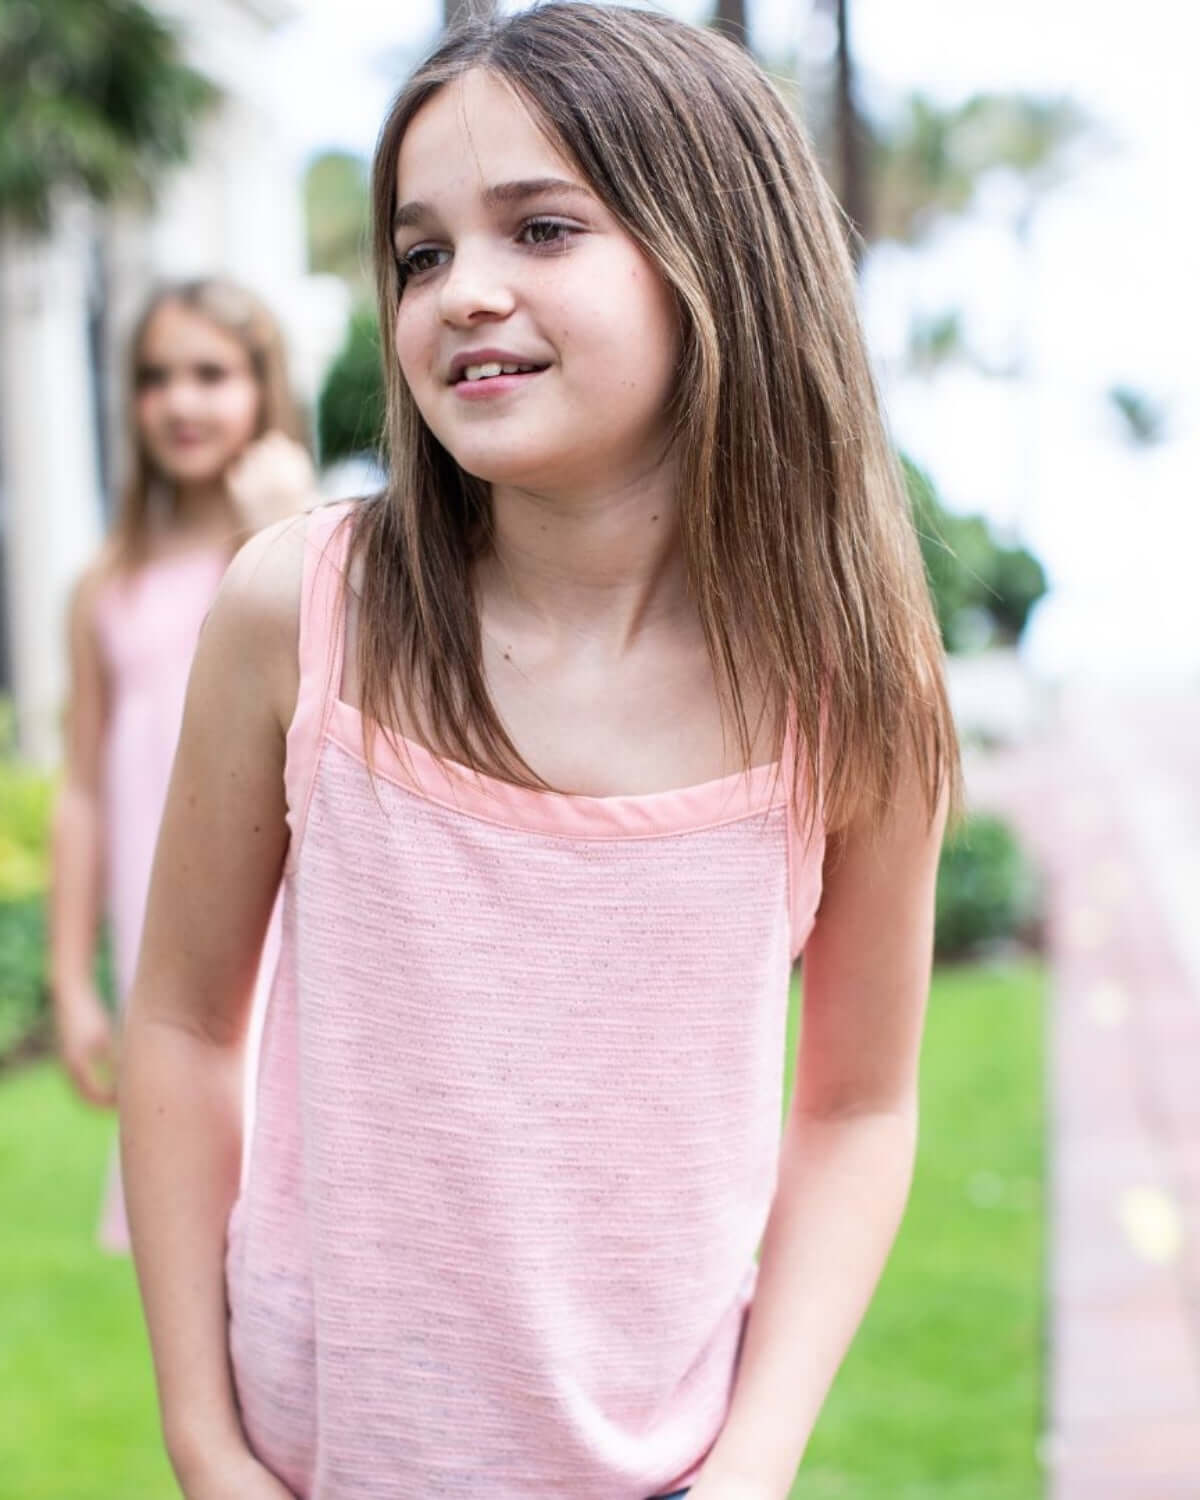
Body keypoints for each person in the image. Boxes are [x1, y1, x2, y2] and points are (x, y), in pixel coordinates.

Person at [119, 7, 961, 1499]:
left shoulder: (853, 685)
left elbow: (857, 1105)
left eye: (543, 228)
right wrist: (203, 1438)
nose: (462, 295)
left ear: (722, 255)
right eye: (422, 252)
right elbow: (184, 1026)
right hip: (315, 1460)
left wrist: (753, 1463)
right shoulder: (300, 613)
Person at [51, 277, 317, 1252]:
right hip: (171, 926)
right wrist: (74, 981)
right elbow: (82, 791)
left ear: (263, 386)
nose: (182, 402)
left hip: (293, 920)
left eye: (212, 373)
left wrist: (279, 526)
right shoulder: (106, 585)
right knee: (191, 1216)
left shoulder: (312, 546)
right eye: (156, 378)